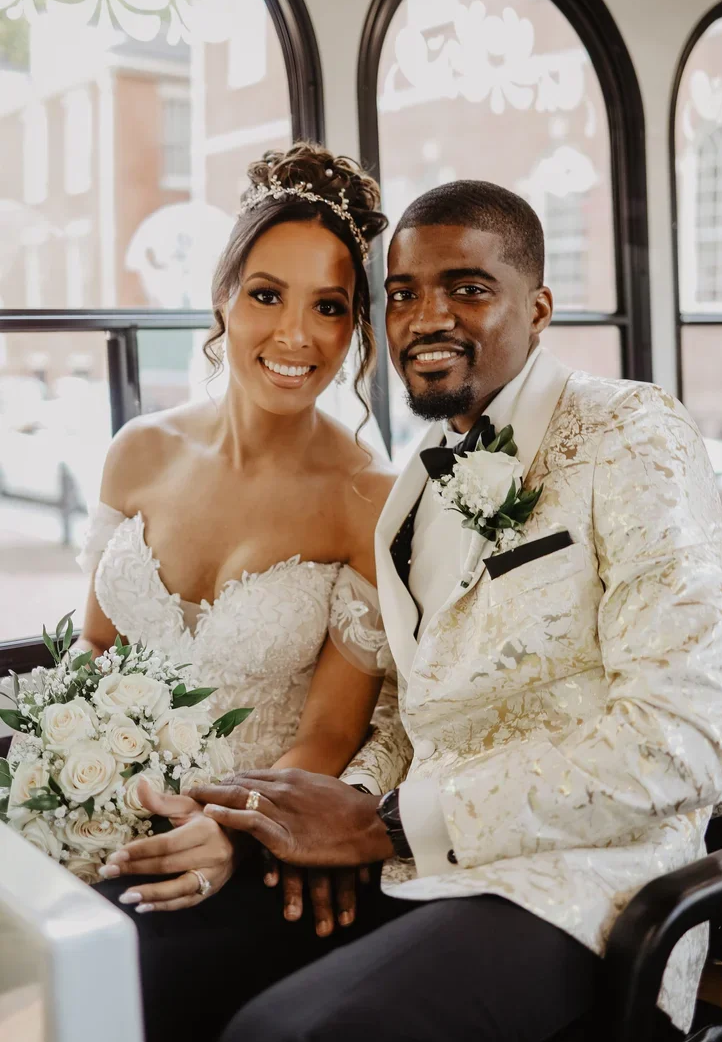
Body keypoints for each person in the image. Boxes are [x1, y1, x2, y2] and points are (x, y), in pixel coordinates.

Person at [180, 180, 722, 1042]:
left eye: (467, 289)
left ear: (539, 307)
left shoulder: (632, 432)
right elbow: (422, 712)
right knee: (159, 945)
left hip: (588, 891)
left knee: (284, 1034)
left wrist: (390, 821)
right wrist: (332, 811)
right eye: (401, 294)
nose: (424, 317)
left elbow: (681, 737)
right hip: (421, 864)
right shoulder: (412, 489)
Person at [88, 144, 412, 1038]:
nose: (295, 336)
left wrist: (222, 828)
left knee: (116, 960)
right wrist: (73, 782)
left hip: (262, 832)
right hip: (114, 795)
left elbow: (330, 732)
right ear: (224, 294)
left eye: (331, 307)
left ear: (355, 332)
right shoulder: (138, 452)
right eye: (268, 293)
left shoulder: (367, 502)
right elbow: (96, 655)